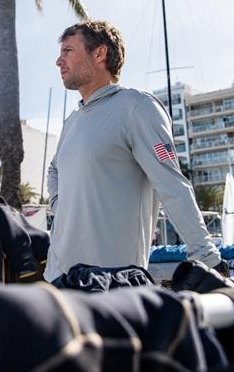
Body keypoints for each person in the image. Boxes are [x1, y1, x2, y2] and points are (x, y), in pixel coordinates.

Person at [44, 19, 222, 282]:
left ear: (99, 53)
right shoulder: (72, 120)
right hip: (58, 277)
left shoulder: (136, 107)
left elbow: (171, 184)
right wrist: (61, 208)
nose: (59, 61)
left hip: (113, 282)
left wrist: (207, 257)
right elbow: (55, 169)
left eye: (68, 51)